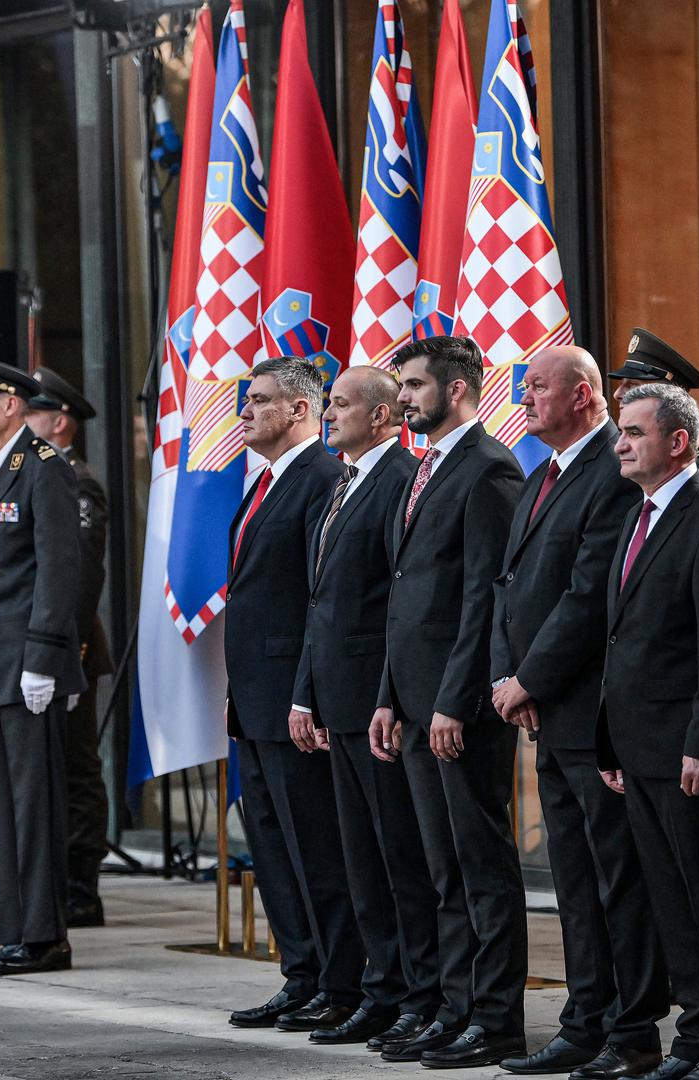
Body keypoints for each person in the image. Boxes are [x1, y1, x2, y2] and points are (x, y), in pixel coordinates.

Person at [490, 347, 667, 1078]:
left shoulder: (611, 472)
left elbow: (590, 593)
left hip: (593, 713)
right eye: (522, 385)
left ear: (586, 396)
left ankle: (632, 1030)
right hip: (546, 712)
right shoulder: (543, 475)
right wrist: (511, 676)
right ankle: (585, 1019)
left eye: (536, 386)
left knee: (614, 879)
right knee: (573, 881)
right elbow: (511, 587)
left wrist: (528, 677)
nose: (522, 398)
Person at [369, 335, 526, 1068]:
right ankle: (454, 1008)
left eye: (413, 386)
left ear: (457, 390)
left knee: (480, 869)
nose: (402, 398)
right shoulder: (427, 468)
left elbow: (484, 600)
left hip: (458, 713)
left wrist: (455, 702)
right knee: (443, 872)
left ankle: (495, 1019)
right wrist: (389, 697)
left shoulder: (489, 471)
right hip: (416, 704)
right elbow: (406, 597)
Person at [599, 383, 699, 1080]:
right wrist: (613, 744)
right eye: (621, 432)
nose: (621, 443)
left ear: (678, 442)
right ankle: (694, 1036)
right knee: (672, 905)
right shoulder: (640, 517)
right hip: (640, 751)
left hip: (688, 753)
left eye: (635, 432)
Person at [289, 365, 441, 1049]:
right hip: (338, 701)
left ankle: (417, 992)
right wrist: (307, 694)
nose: (329, 416)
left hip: (379, 704)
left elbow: (396, 608)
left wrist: (388, 695)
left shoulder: (400, 480)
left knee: (397, 859)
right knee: (362, 865)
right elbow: (320, 604)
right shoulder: (346, 481)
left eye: (342, 404)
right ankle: (382, 990)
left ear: (382, 417)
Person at [222, 356, 357, 1034]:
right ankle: (300, 975)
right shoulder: (265, 481)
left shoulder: (321, 478)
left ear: (300, 411)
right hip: (254, 697)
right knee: (272, 845)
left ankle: (340, 981)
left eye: (260, 400)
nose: (244, 412)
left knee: (316, 846)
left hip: (295, 700)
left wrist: (306, 694)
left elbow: (319, 601)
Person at [0, 356, 84, 976]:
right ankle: (15, 930)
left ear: (10, 404)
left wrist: (43, 657)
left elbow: (58, 571)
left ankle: (44, 935)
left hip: (26, 664)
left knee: (33, 804)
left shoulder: (43, 469)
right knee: (2, 804)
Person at [27, 368, 112, 929]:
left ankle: (82, 887)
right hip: (46, 647)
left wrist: (70, 650)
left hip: (71, 649)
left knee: (76, 771)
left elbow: (80, 578)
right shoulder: (33, 477)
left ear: (59, 422)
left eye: (32, 413)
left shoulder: (76, 481)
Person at [605, 328, 699, 495]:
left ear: (667, 397)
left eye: (633, 386)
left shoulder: (697, 471)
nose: (617, 394)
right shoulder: (636, 463)